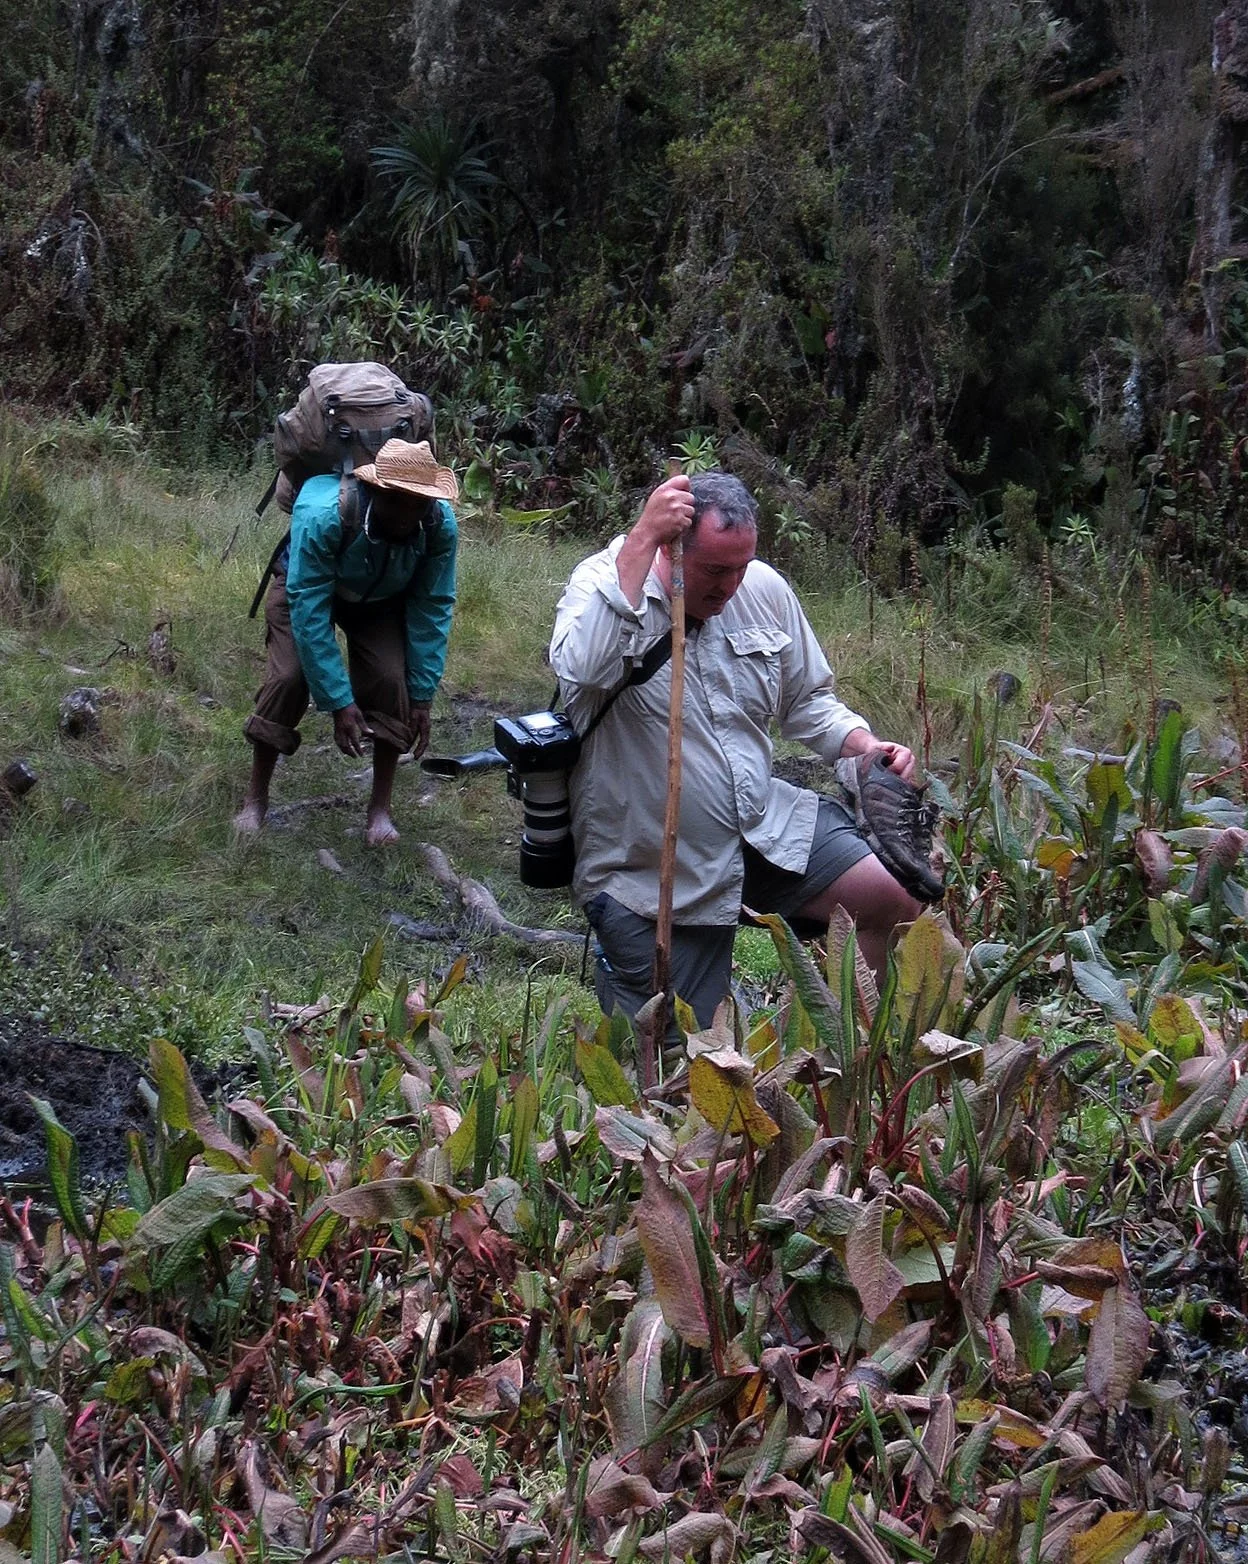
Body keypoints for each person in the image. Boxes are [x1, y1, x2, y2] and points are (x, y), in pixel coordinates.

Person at [549, 468, 923, 1032]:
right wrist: (641, 540)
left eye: (741, 567)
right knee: (676, 1064)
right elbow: (583, 666)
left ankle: (831, 1052)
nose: (730, 586)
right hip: (654, 867)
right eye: (715, 570)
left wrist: (866, 747)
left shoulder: (762, 590)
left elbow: (809, 704)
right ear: (671, 550)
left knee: (890, 896)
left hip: (760, 826)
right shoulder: (605, 583)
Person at [234, 438, 458, 847]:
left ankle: (379, 813)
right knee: (289, 678)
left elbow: (433, 606)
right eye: (401, 501)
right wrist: (338, 700)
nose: (410, 514)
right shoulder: (324, 515)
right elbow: (309, 608)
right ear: (376, 490)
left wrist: (422, 697)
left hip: (380, 597)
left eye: (419, 503)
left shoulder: (438, 525)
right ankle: (255, 799)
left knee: (394, 680)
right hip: (304, 587)